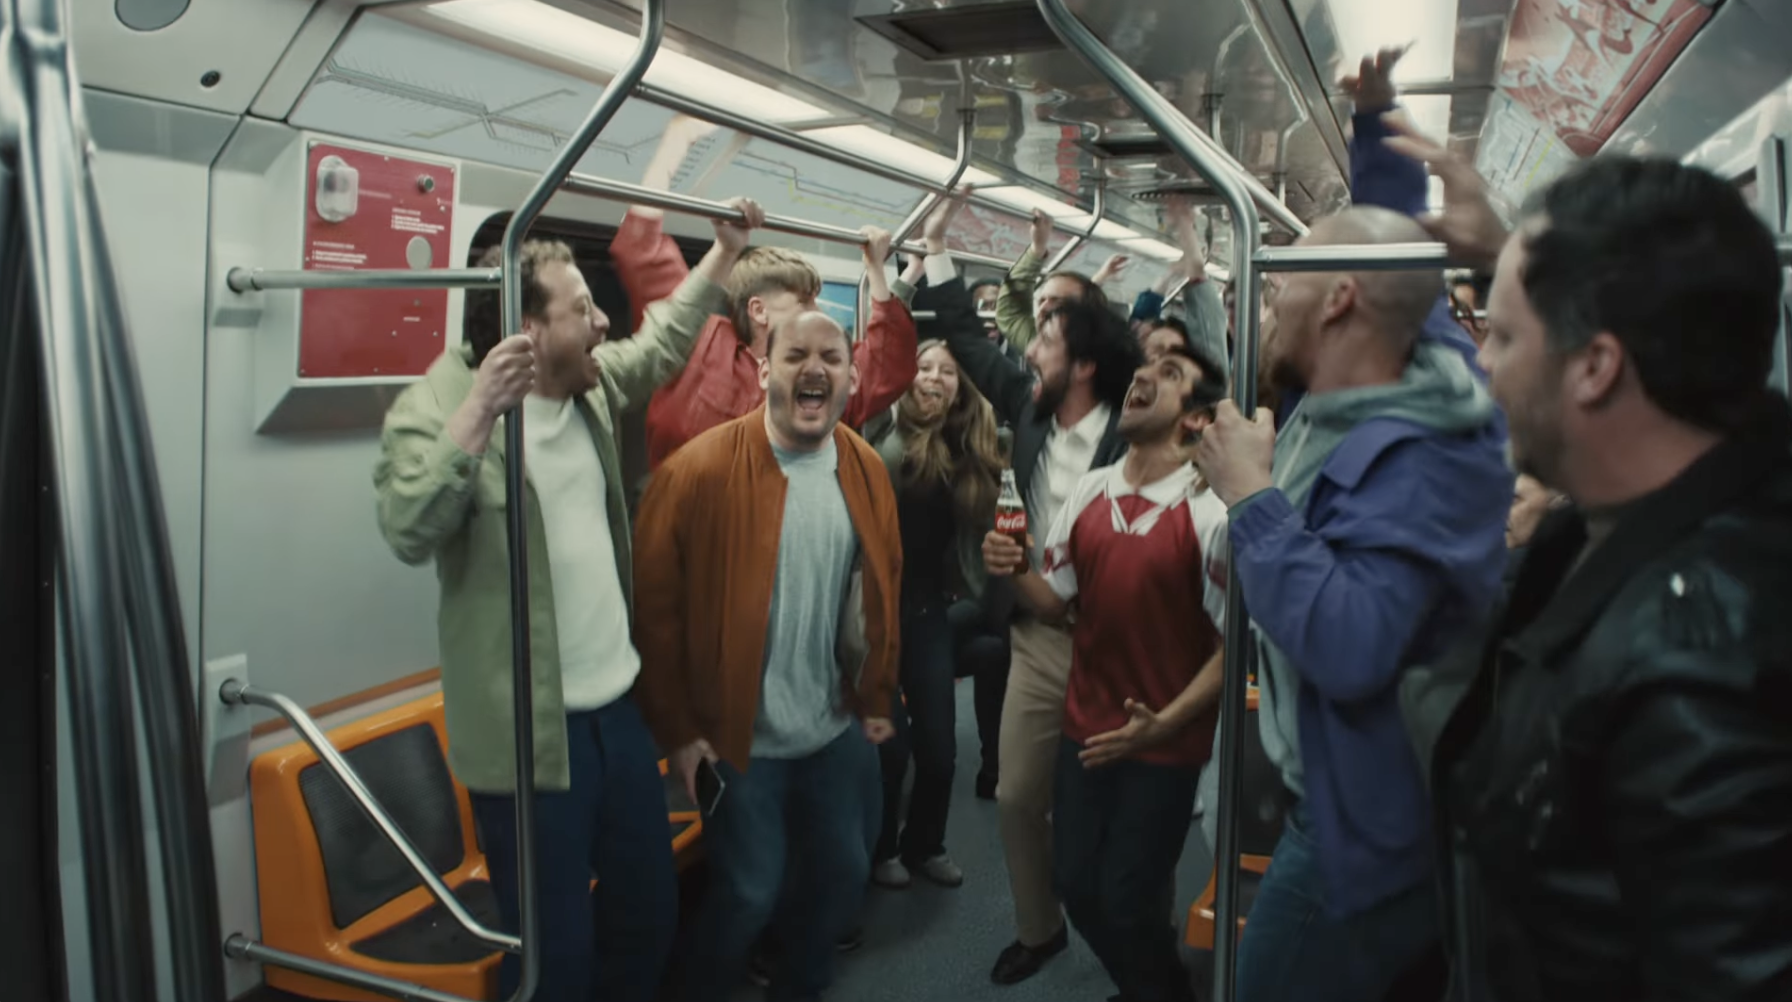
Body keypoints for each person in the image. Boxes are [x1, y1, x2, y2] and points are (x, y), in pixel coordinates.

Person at [1387, 114, 1792, 1001]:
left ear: (1595, 369)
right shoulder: (1644, 516)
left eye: (1501, 336)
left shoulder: (1698, 679)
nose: (1485, 367)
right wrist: (1518, 255)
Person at [372, 200, 762, 1002]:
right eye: (581, 309)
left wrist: (722, 259)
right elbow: (409, 528)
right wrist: (479, 414)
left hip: (617, 714)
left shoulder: (586, 389)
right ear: (526, 329)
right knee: (555, 954)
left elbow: (660, 345)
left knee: (648, 917)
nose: (601, 324)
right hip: (527, 736)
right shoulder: (436, 406)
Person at [1192, 198, 1510, 1002]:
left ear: (1336, 301)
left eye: (1279, 287)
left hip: (1361, 827)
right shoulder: (1392, 371)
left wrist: (1250, 497)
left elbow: (1353, 645)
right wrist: (1379, 141)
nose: (1267, 304)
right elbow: (1398, 278)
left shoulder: (1418, 454)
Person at [631, 308, 902, 1002]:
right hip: (738, 738)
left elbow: (879, 588)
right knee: (751, 892)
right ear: (763, 370)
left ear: (849, 376)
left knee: (844, 877)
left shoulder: (866, 470)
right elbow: (655, 617)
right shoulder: (696, 473)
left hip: (833, 727)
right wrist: (680, 736)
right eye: (795, 356)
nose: (815, 370)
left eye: (832, 358)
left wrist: (875, 695)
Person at [923, 196, 1147, 983]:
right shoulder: (1028, 408)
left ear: (1083, 364)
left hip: (1113, 645)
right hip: (1037, 638)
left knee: (1112, 819)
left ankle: (1132, 949)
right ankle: (1039, 925)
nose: (1029, 344)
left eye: (1046, 334)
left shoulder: (1134, 433)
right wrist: (939, 248)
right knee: (1019, 795)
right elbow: (967, 341)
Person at [985, 341, 1232, 1002]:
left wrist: (1162, 726)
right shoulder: (1092, 492)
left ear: (1196, 419)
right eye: (1146, 368)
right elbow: (1052, 602)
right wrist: (1014, 573)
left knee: (1127, 898)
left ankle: (1162, 990)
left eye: (1170, 374)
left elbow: (1233, 650)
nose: (1145, 375)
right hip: (1085, 726)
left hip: (1164, 746)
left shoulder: (1210, 514)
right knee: (1076, 882)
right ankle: (1148, 983)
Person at [610, 114, 916, 469]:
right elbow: (640, 249)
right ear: (758, 310)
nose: (817, 312)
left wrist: (876, 269)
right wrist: (675, 144)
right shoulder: (697, 342)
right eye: (803, 300)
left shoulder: (821, 373)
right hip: (689, 519)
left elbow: (888, 364)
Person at [861, 332, 1005, 889]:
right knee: (890, 749)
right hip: (873, 610)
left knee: (940, 753)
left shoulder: (967, 449)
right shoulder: (884, 432)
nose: (934, 379)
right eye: (924, 367)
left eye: (947, 371)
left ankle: (927, 843)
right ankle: (881, 851)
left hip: (924, 610)